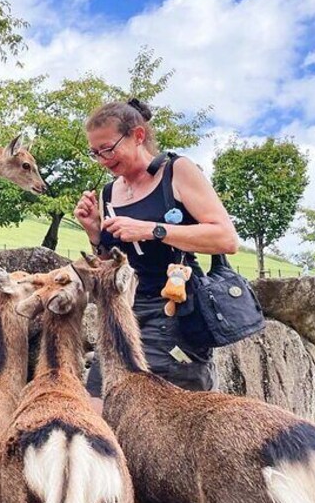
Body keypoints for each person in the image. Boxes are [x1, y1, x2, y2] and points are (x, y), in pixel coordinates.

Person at [74, 99, 239, 410]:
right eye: (95, 152)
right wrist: (94, 232)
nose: (102, 160)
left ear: (138, 136)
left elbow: (226, 238)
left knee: (175, 418)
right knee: (97, 408)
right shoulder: (109, 193)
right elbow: (113, 266)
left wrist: (153, 229)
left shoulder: (177, 171)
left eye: (108, 149)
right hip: (124, 314)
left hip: (177, 312)